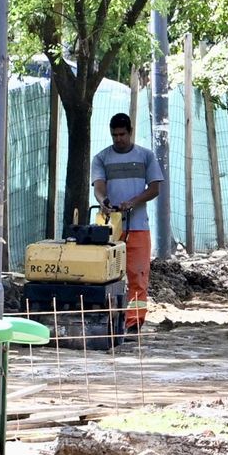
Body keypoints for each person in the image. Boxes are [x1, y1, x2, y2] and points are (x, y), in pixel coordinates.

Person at [92, 112, 164, 334]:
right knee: (104, 276)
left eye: (122, 134)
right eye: (114, 135)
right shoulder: (102, 158)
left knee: (138, 275)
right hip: (110, 226)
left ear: (130, 132)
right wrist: (103, 201)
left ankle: (134, 323)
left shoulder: (146, 156)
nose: (118, 139)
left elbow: (154, 188)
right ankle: (108, 321)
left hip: (138, 226)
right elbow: (98, 185)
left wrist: (133, 202)